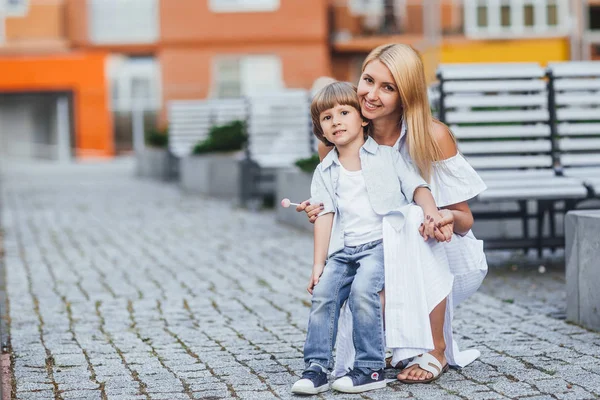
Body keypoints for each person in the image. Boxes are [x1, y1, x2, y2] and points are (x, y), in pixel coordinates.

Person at [297, 43, 488, 384]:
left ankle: (438, 349)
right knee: (361, 320)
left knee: (411, 217)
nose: (370, 94)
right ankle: (384, 346)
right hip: (376, 252)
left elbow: (465, 220)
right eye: (368, 80)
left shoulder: (430, 135)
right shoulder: (339, 133)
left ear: (405, 95)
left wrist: (441, 217)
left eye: (388, 87)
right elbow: (344, 200)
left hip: (445, 253)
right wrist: (321, 209)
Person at [291, 81, 453, 395]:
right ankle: (316, 368)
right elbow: (324, 216)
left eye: (343, 112)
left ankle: (370, 368)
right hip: (344, 250)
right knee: (324, 295)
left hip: (381, 246)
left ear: (362, 119)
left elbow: (417, 186)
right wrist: (317, 265)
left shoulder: (387, 158)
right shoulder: (325, 171)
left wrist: (431, 212)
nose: (335, 120)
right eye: (326, 118)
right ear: (321, 130)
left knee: (363, 291)